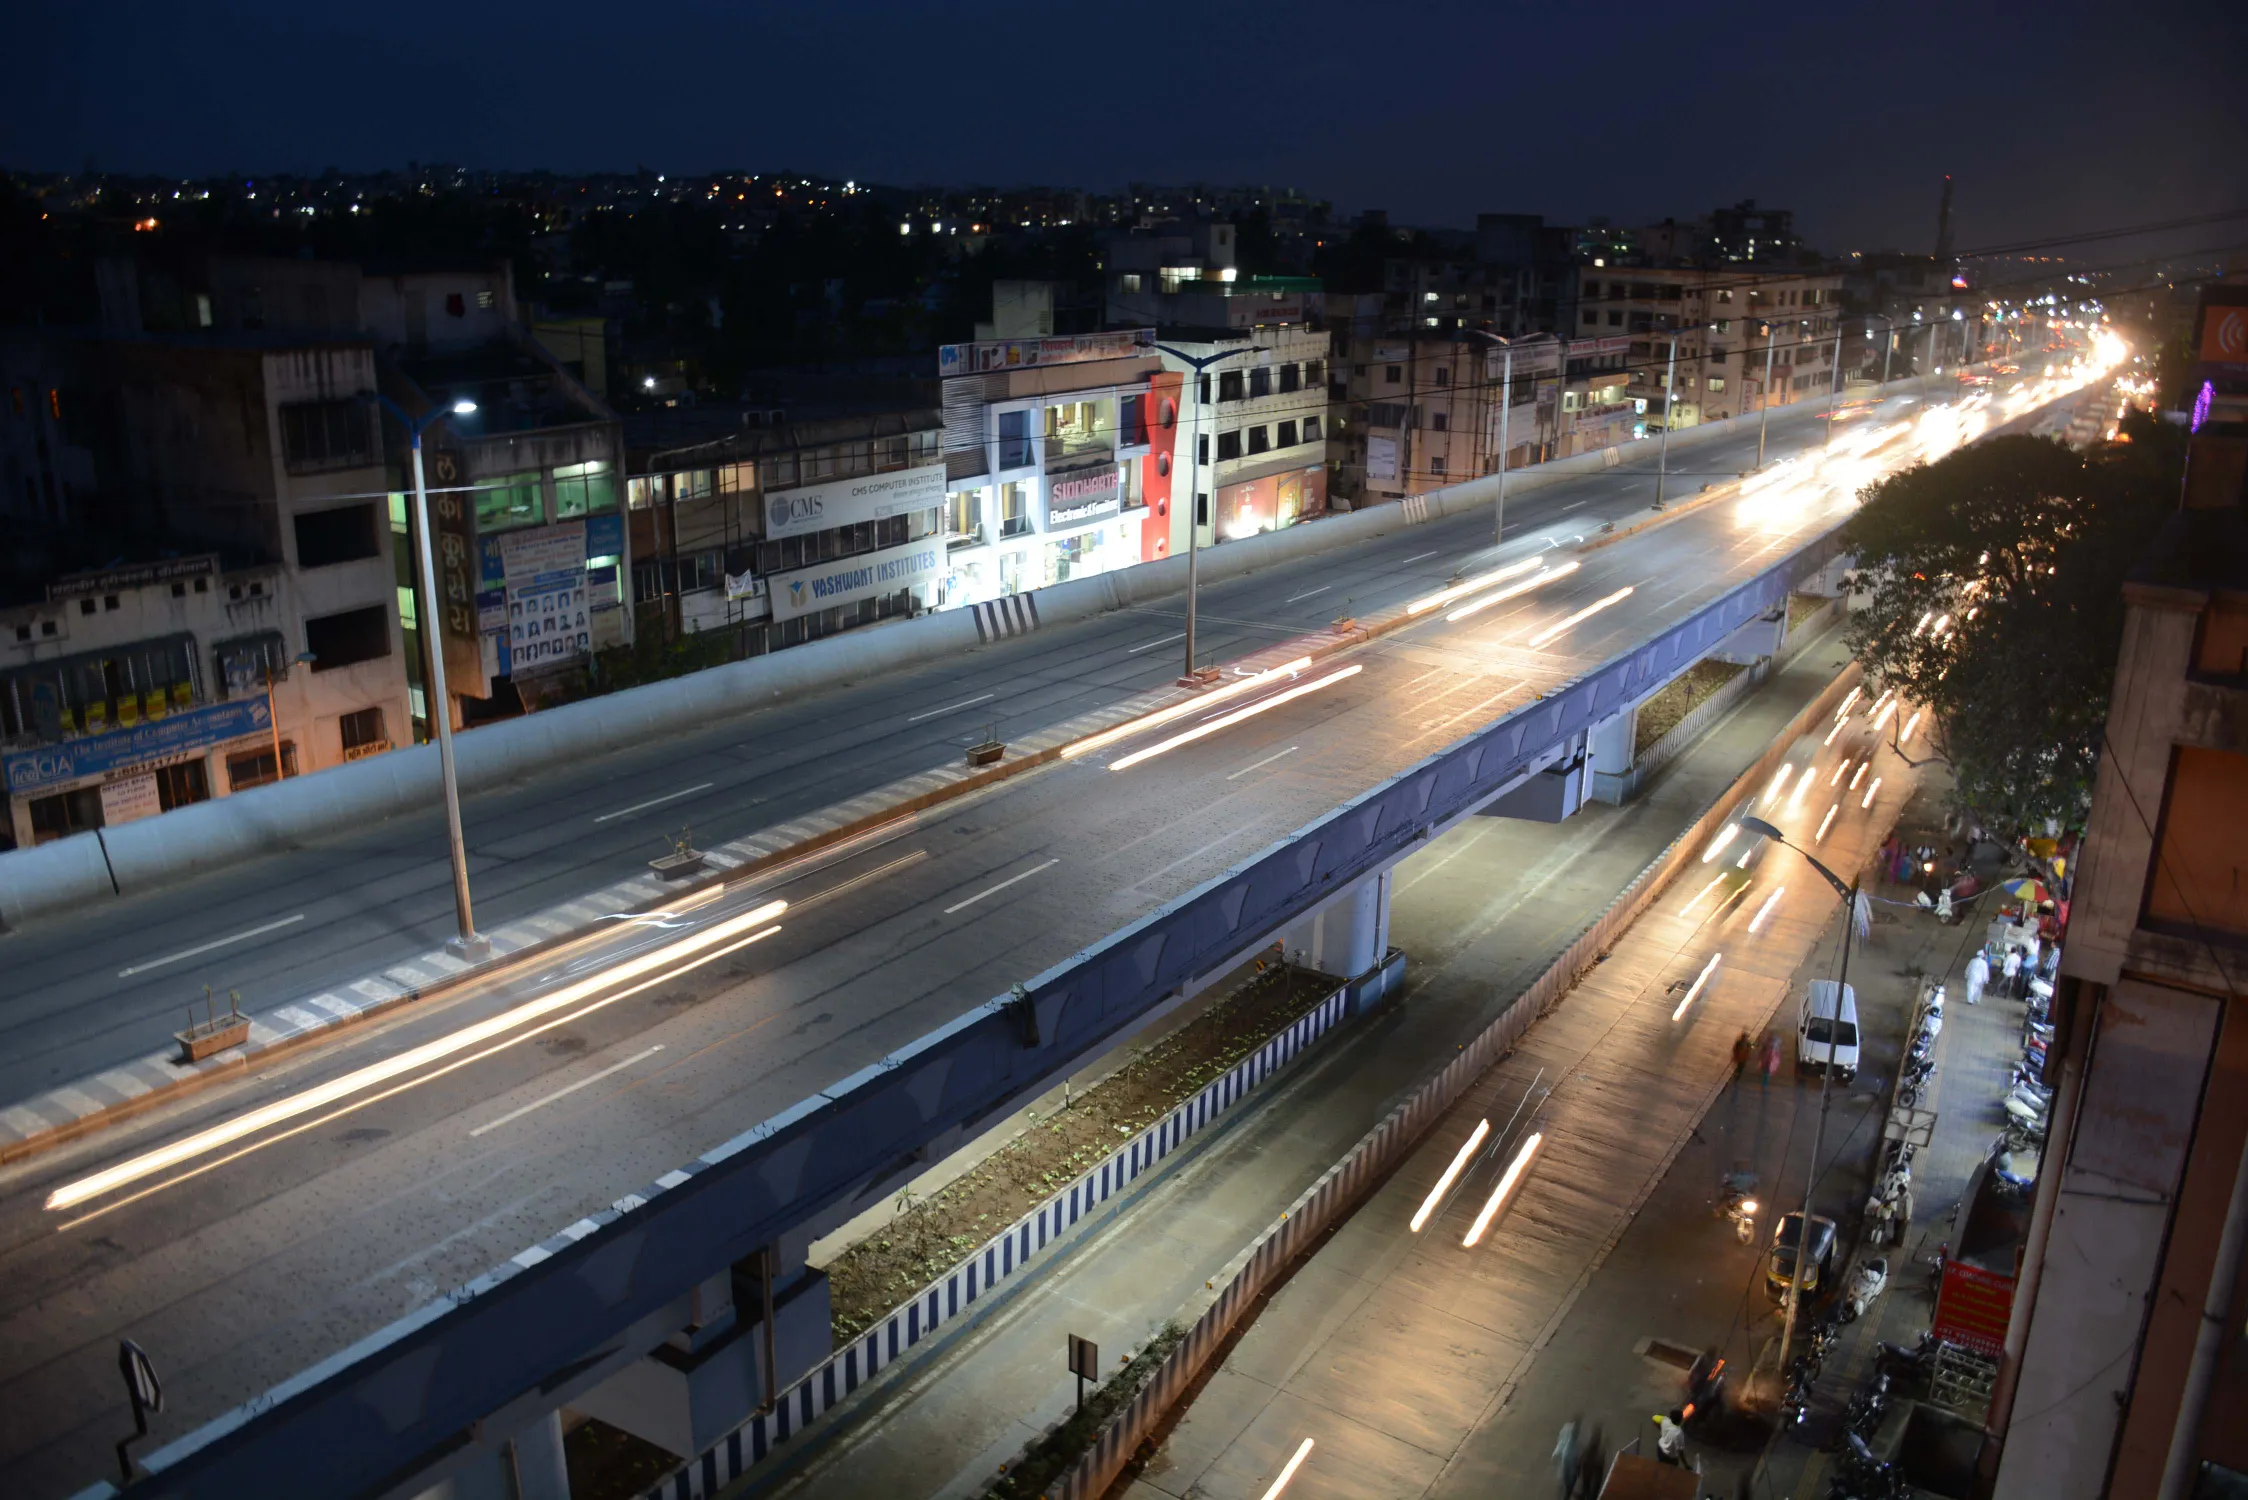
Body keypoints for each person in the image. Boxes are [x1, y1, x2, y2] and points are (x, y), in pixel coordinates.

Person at [1553, 1418, 1581, 1500]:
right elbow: (1572, 1463)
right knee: (1568, 1488)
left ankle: (1568, 1492)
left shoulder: (1572, 1445)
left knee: (1567, 1486)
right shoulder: (1572, 1449)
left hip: (1567, 1469)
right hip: (1569, 1472)